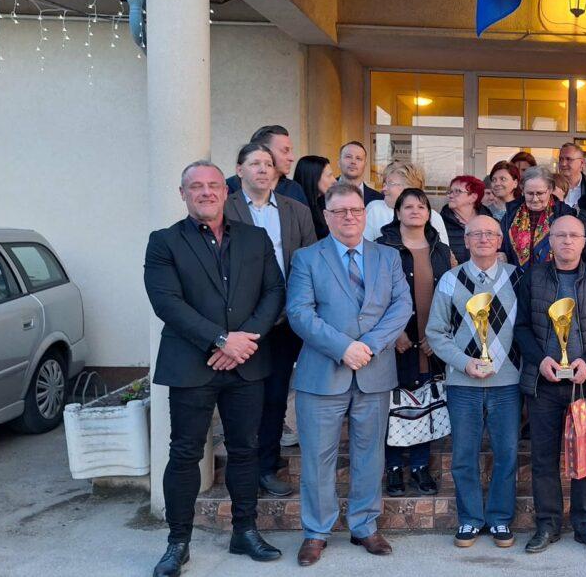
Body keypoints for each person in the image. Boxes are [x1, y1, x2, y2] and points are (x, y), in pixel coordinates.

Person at [145, 160, 286, 576]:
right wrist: (222, 339)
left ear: (225, 192)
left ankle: (245, 532)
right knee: (185, 454)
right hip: (191, 364)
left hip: (246, 365)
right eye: (196, 187)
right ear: (183, 194)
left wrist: (243, 342)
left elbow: (274, 291)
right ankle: (178, 543)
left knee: (245, 451)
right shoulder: (164, 242)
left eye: (212, 185)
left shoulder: (255, 238)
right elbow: (167, 303)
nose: (205, 192)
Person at [286, 183, 412, 565]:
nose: (349, 217)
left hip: (374, 372)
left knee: (370, 455)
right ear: (326, 216)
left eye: (355, 210)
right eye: (340, 211)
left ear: (365, 212)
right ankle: (316, 531)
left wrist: (368, 345)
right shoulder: (307, 258)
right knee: (317, 458)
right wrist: (343, 348)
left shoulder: (388, 256)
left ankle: (364, 526)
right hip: (322, 375)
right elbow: (299, 313)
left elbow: (401, 305)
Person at [513, 215, 586, 555]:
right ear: (551, 239)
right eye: (561, 235)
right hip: (543, 384)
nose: (567, 241)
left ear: (583, 241)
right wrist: (539, 360)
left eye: (574, 235)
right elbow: (520, 328)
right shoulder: (533, 278)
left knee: (585, 458)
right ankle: (547, 525)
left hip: (584, 385)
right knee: (543, 457)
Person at [224, 143, 318, 498]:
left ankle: (267, 466)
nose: (263, 169)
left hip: (283, 320)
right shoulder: (226, 208)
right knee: (242, 398)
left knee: (276, 396)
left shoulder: (297, 211)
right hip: (240, 322)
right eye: (255, 163)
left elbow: (309, 262)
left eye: (268, 163)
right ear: (240, 170)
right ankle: (242, 468)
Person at [426, 215, 522, 549]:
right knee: (464, 455)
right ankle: (469, 519)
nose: (483, 239)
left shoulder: (517, 278)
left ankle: (499, 518)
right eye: (475, 233)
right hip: (463, 383)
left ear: (500, 240)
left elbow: (528, 329)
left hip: (507, 382)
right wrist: (464, 363)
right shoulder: (450, 280)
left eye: (490, 233)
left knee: (507, 453)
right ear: (465, 241)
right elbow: (435, 332)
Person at [376, 188, 457, 497]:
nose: (415, 211)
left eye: (421, 206)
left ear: (428, 213)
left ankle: (421, 465)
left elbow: (453, 296)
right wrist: (394, 332)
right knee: (396, 405)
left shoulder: (441, 250)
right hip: (395, 338)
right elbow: (374, 296)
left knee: (426, 401)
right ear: (397, 212)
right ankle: (394, 468)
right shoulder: (382, 248)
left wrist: (439, 337)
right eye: (408, 206)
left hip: (431, 339)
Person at [500, 166, 576, 276]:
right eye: (530, 193)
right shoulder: (511, 214)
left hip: (553, 279)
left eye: (540, 193)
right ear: (522, 190)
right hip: (516, 279)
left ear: (550, 190)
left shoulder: (564, 213)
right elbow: (501, 246)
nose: (535, 199)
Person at [364, 161, 450, 244]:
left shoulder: (433, 217)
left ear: (409, 188)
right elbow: (363, 248)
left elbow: (443, 251)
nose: (384, 189)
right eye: (384, 184)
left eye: (390, 183)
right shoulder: (375, 209)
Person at [226, 125, 308, 204]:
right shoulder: (228, 188)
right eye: (285, 151)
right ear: (263, 150)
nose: (292, 158)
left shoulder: (294, 189)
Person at [441, 175, 494, 263]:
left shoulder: (489, 221)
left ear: (473, 197)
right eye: (450, 191)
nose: (450, 195)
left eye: (457, 191)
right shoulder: (441, 222)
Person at [293, 155, 338, 239]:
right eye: (329, 176)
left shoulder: (325, 203)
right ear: (314, 177)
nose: (334, 180)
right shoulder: (297, 209)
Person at [556, 142, 586, 207]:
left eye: (568, 159)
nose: (563, 164)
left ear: (582, 163)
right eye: (561, 159)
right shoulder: (550, 186)